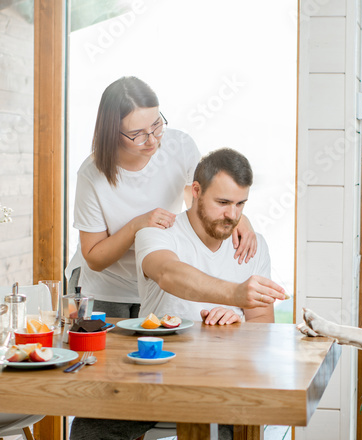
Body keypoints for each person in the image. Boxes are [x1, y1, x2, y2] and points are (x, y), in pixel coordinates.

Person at [69, 148, 286, 440]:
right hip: (157, 380)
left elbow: (264, 328)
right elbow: (167, 273)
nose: (231, 215)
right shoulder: (160, 231)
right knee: (88, 433)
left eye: (241, 205)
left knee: (228, 427)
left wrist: (240, 316)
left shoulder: (249, 246)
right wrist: (235, 294)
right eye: (222, 202)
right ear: (194, 192)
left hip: (217, 390)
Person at [68, 76, 258, 318]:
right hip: (105, 288)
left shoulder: (179, 146)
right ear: (113, 132)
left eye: (157, 125)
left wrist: (240, 220)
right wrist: (137, 225)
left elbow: (201, 200)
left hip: (157, 281)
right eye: (138, 134)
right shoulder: (92, 175)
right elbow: (94, 258)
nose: (153, 139)